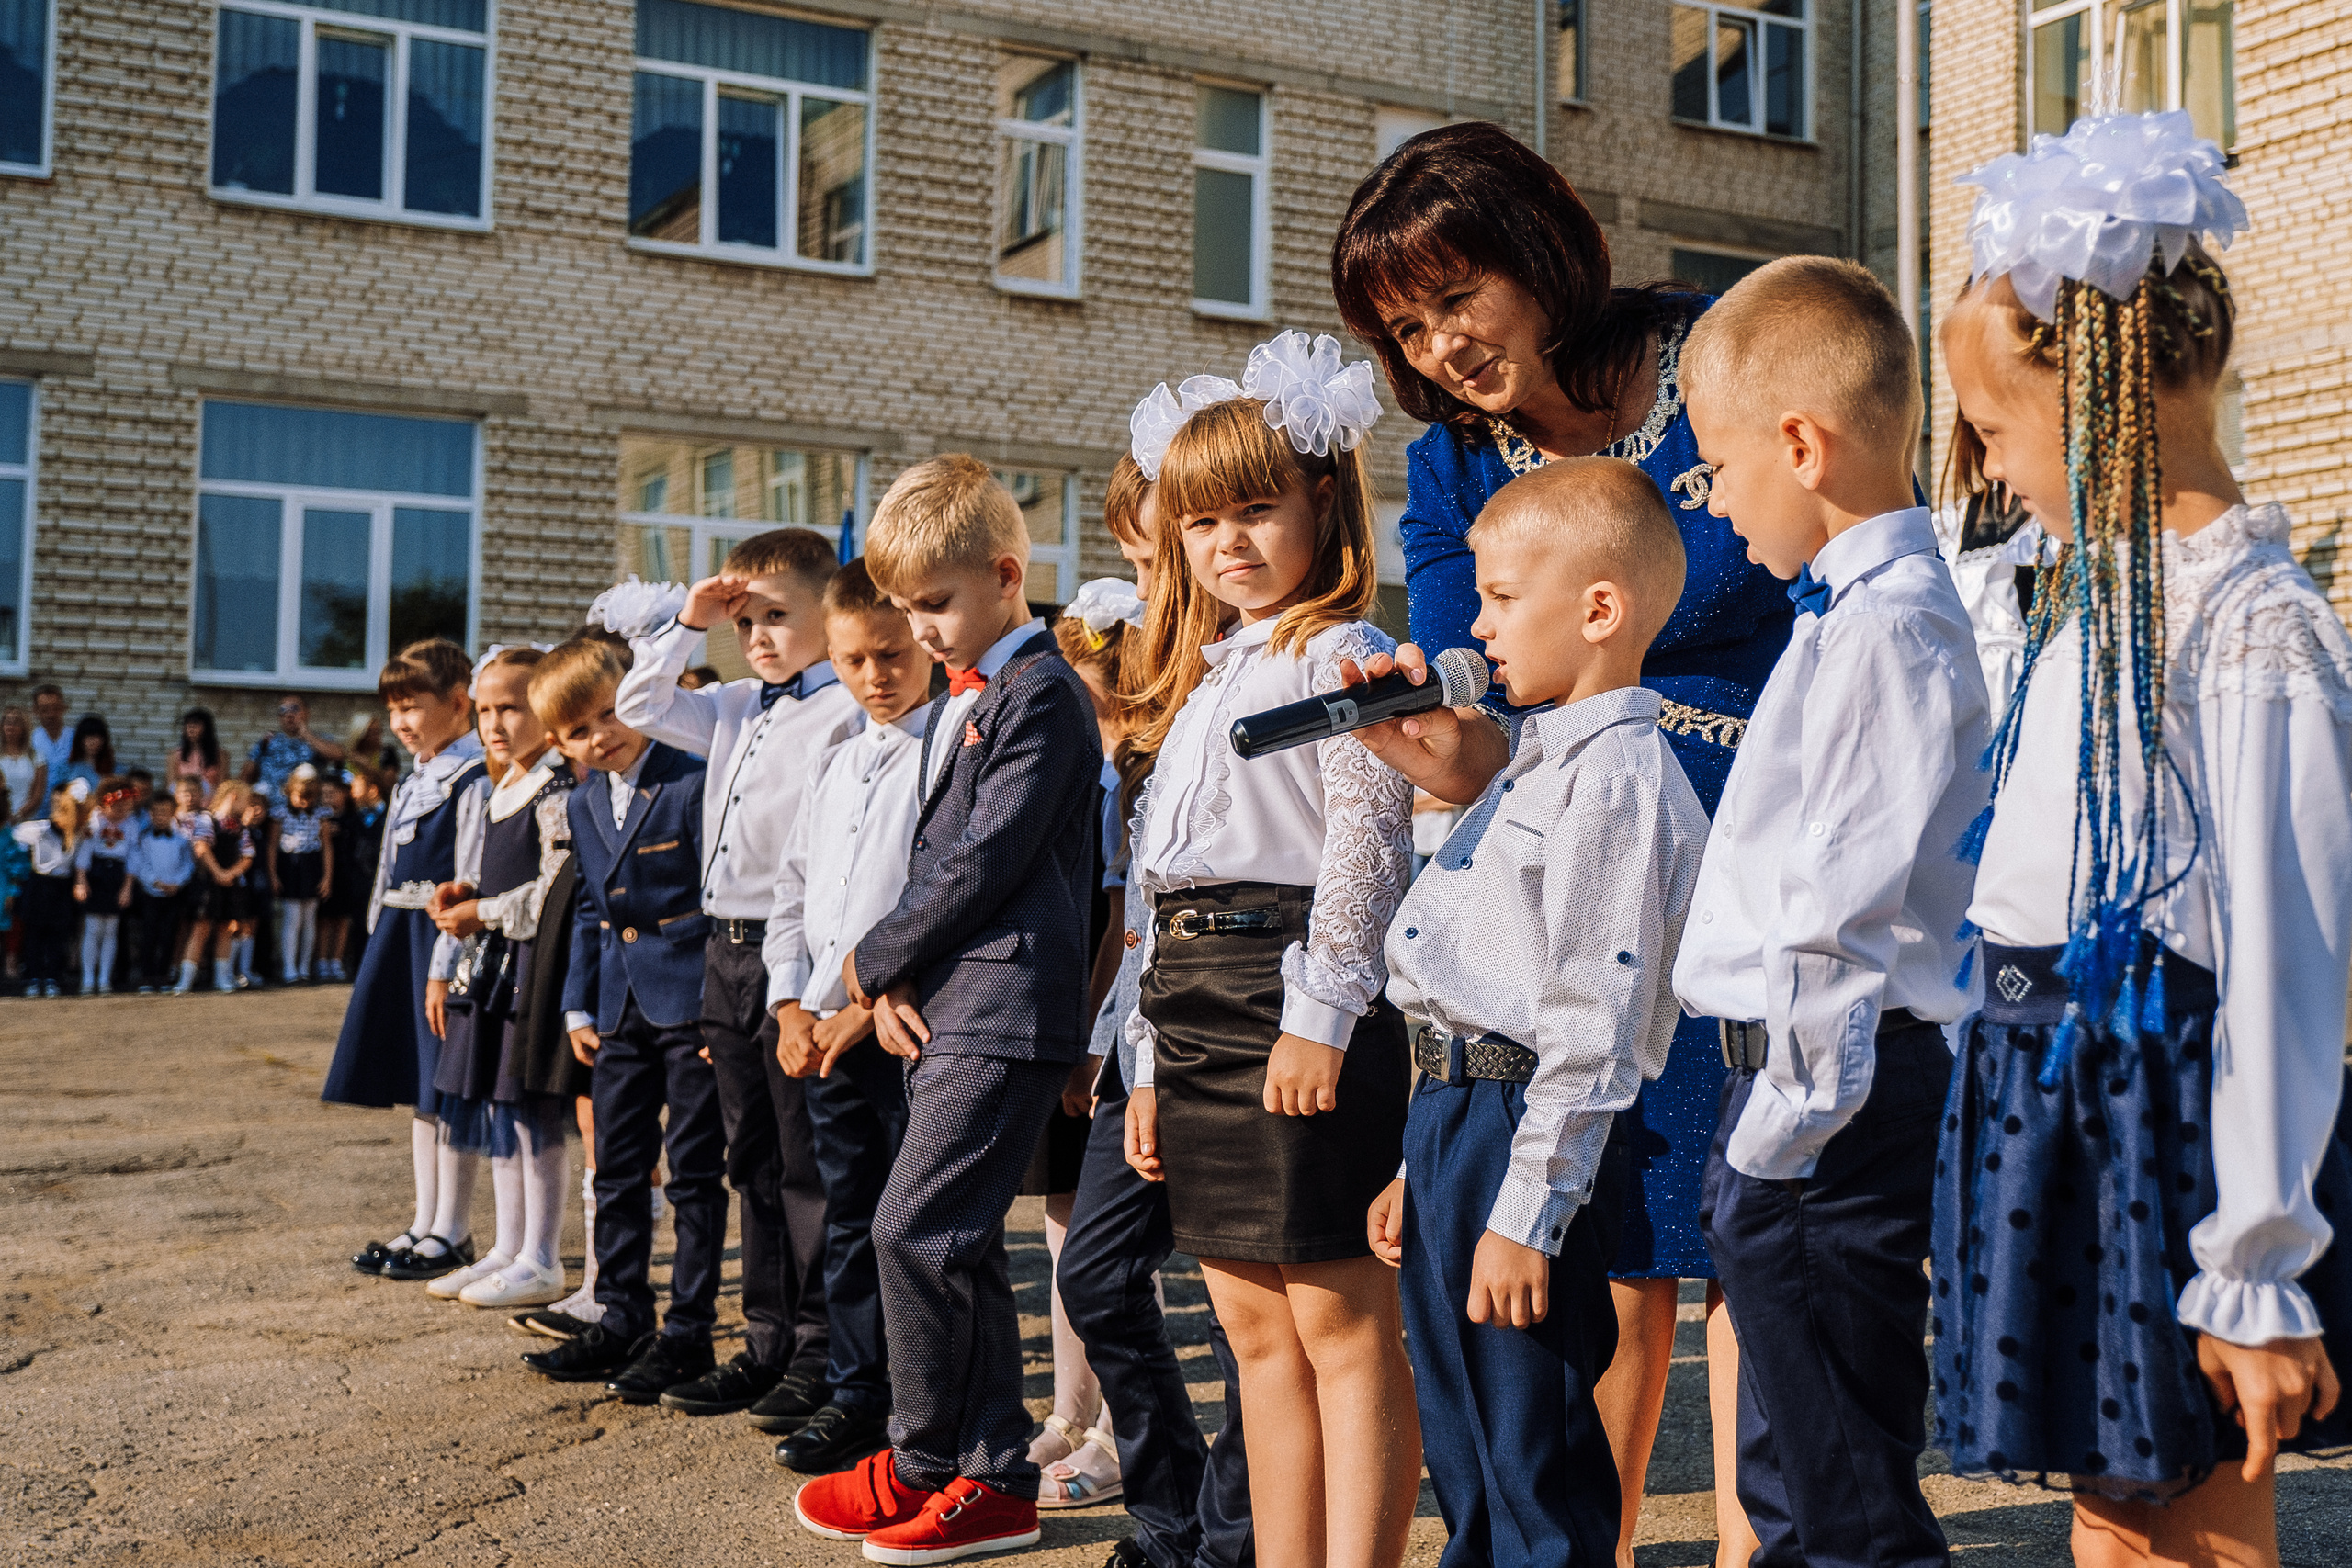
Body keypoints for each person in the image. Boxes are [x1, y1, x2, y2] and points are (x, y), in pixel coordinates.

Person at [1333, 121, 1787, 1566]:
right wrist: (1430, 748)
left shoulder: (1716, 357)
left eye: (1455, 297)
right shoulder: (1451, 465)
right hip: (1584, 875)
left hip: (1768, 856)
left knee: (1751, 1244)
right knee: (1609, 1235)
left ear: (1539, 250)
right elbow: (1479, 709)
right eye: (1408, 328)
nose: (1442, 347)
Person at [1935, 112, 2352, 1562]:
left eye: (1995, 433)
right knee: (2113, 1511)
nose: (1992, 474)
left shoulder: (2252, 625)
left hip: (2157, 1112)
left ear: (2096, 398)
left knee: (2198, 1519)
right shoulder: (2096, 595)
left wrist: (2256, 1259)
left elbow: (2287, 959)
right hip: (2045, 1091)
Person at [1668, 257, 1991, 1568]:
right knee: (1790, 1482)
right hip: (1799, 1089)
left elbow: (1835, 912)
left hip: (1823, 1103)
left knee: (1846, 1491)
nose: (1711, 498)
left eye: (1716, 467)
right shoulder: (1848, 613)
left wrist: (1775, 1141)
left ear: (1801, 446)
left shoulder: (1885, 629)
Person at [1364, 457, 1708, 1568]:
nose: (1477, 626)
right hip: (1458, 1122)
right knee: (1466, 1448)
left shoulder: (1616, 782)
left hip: (1523, 1129)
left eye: (1502, 598)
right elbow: (1475, 974)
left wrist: (1526, 1214)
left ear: (1598, 610)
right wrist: (1421, 1161)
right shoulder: (1539, 759)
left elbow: (1590, 1023)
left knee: (1532, 1463)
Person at [1118, 335, 1419, 1568]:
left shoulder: (1338, 654)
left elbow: (1367, 847)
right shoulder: (1204, 681)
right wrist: (1146, 1060)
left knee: (1341, 1326)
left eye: (1255, 509)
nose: (1228, 541)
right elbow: (1159, 894)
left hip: (1290, 999)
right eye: (1201, 521)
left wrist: (1322, 1015)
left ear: (1323, 503)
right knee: (1252, 1334)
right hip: (1193, 1011)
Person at [789, 454, 1102, 1563]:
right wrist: (904, 978)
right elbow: (938, 857)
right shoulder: (974, 694)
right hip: (955, 998)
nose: (918, 629)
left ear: (1007, 575)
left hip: (1009, 1001)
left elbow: (984, 857)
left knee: (911, 1230)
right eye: (904, 606)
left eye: (933, 603)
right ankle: (982, 1475)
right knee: (953, 1244)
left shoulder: (1042, 694)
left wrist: (869, 963)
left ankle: (934, 1464)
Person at [605, 527, 864, 1427]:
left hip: (799, 955)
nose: (756, 636)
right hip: (724, 954)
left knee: (806, 1162)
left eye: (776, 617)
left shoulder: (846, 708)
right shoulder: (732, 704)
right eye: (744, 621)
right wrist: (691, 620)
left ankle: (822, 1349)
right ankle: (765, 1342)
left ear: (829, 615)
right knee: (748, 1158)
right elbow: (639, 702)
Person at [1057, 464, 1257, 1568]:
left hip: (1242, 1021)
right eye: (1136, 557)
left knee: (1243, 1308)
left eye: (1155, 555)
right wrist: (1109, 1039)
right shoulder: (1147, 677)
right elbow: (1135, 900)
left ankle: (1231, 1535)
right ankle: (1171, 1508)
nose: (1147, 581)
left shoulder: (1263, 663)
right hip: (1143, 1028)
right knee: (1094, 1274)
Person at [518, 638, 727, 1404]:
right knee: (616, 1169)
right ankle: (620, 1313)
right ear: (560, 742)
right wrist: (579, 1002)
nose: (600, 735)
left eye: (609, 713)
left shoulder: (690, 778)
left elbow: (719, 895)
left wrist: (719, 1008)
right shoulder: (581, 802)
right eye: (579, 730)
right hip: (616, 1013)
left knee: (694, 1173)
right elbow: (589, 909)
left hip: (690, 1006)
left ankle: (688, 1329)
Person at [763, 558, 933, 1474]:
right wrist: (790, 1001)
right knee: (845, 1213)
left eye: (892, 653)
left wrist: (861, 1009)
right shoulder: (835, 762)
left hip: (904, 1032)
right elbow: (793, 890)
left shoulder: (946, 752)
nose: (875, 675)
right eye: (854, 659)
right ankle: (855, 1388)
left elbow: (937, 901)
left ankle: (922, 1403)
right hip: (821, 1033)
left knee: (912, 1227)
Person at [1016, 575, 1155, 1511]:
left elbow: (1125, 919)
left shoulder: (1144, 759)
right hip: (1067, 1003)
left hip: (1118, 1013)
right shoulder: (1084, 754)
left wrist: (1098, 1035)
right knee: (1067, 1217)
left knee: (1116, 1238)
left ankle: (1118, 1432)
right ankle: (1071, 1408)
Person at [419, 647, 579, 1312]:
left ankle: (541, 1255)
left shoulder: (555, 790)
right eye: (484, 710)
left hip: (532, 972)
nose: (493, 723)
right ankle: (508, 1246)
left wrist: (481, 911)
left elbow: (554, 893)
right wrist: (467, 894)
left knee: (531, 1112)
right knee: (497, 1110)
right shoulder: (500, 786)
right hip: (491, 971)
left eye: (510, 708)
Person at [321, 641, 486, 1280]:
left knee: (447, 1085)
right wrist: (376, 940)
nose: (400, 723)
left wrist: (447, 957)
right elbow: (388, 868)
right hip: (399, 937)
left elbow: (468, 876)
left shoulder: (473, 778)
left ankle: (455, 1229)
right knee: (421, 1088)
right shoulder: (414, 780)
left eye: (412, 707)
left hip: (441, 942)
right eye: (392, 710)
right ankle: (424, 1220)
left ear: (458, 702)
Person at [12, 783, 81, 998]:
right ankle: (33, 977)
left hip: (63, 886)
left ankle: (52, 977)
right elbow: (16, 839)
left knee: (58, 934)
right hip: (39, 884)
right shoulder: (37, 829)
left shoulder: (78, 833)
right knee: (34, 933)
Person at [74, 777, 137, 996]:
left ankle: (104, 979)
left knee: (111, 930)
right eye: (116, 806)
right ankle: (87, 979)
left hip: (117, 875)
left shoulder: (131, 824)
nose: (121, 811)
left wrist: (127, 887)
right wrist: (81, 880)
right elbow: (85, 851)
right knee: (92, 929)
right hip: (96, 873)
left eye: (125, 806)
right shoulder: (95, 821)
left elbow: (133, 857)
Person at [270, 766, 334, 985]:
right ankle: (289, 967)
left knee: (309, 919)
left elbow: (327, 846)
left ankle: (304, 967)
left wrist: (327, 877)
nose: (305, 803)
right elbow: (272, 846)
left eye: (310, 798)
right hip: (290, 865)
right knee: (292, 918)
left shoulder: (321, 814)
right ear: (290, 791)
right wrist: (273, 874)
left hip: (312, 864)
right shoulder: (280, 813)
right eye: (300, 797)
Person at [129, 789, 192, 994]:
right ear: (150, 814)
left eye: (165, 812)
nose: (160, 816)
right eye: (155, 812)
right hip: (150, 895)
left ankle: (163, 976)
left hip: (173, 894)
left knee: (168, 936)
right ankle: (147, 977)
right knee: (149, 936)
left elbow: (187, 864)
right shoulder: (144, 839)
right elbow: (139, 863)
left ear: (173, 813)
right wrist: (155, 882)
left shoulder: (182, 839)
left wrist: (177, 883)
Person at [245, 695, 346, 805]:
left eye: (294, 708)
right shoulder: (268, 740)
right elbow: (245, 776)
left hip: (306, 808)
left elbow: (339, 755)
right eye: (283, 710)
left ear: (307, 713)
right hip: (270, 809)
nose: (289, 714)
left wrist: (305, 734)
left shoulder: (320, 738)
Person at [315, 773, 359, 983]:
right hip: (324, 875)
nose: (328, 797)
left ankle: (336, 960)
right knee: (324, 919)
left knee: (342, 920)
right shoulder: (317, 818)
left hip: (345, 875)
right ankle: (321, 961)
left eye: (332, 793)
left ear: (344, 794)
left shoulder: (352, 819)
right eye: (323, 793)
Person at [2, 705, 47, 824]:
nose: (11, 727)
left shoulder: (37, 757)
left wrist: (19, 815)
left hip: (27, 821)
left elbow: (38, 794)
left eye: (16, 723)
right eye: (7, 723)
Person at [28, 685, 73, 793]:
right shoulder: (30, 740)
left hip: (70, 799)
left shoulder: (75, 737)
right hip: (39, 800)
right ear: (35, 711)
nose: (51, 714)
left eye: (55, 708)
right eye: (44, 710)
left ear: (63, 708)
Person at [173, 708, 226, 795]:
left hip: (211, 800)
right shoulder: (176, 755)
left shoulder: (220, 755)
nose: (191, 730)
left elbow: (223, 786)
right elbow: (172, 786)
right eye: (188, 726)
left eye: (195, 726)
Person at [61, 715, 113, 796]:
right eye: (88, 738)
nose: (92, 743)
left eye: (97, 737)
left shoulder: (115, 769)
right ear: (80, 740)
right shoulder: (72, 769)